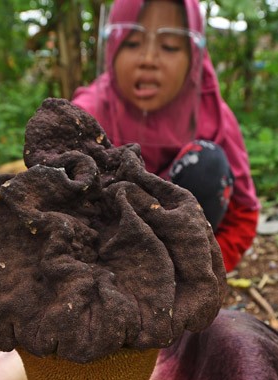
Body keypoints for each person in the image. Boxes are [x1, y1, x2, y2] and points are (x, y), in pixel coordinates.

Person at [72, 0, 259, 273]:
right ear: (112, 48)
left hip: (184, 265)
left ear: (193, 58)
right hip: (104, 260)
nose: (148, 59)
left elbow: (244, 213)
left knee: (206, 164)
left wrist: (209, 274)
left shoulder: (213, 117)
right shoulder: (86, 114)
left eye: (170, 46)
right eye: (132, 43)